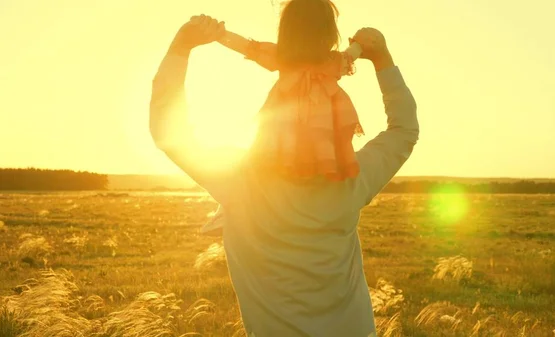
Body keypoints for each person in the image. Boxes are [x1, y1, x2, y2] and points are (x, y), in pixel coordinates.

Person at [150, 8, 419, 337]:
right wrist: (382, 59)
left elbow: (167, 130)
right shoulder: (353, 178)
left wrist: (182, 46)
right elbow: (404, 130)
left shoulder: (239, 181)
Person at [200, 0, 365, 235]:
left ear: (286, 30)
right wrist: (361, 43)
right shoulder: (325, 61)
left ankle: (232, 207)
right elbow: (352, 55)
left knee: (259, 162)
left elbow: (247, 47)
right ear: (329, 31)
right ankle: (232, 208)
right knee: (286, 161)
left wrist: (219, 34)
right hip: (315, 129)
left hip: (286, 126)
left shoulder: (287, 57)